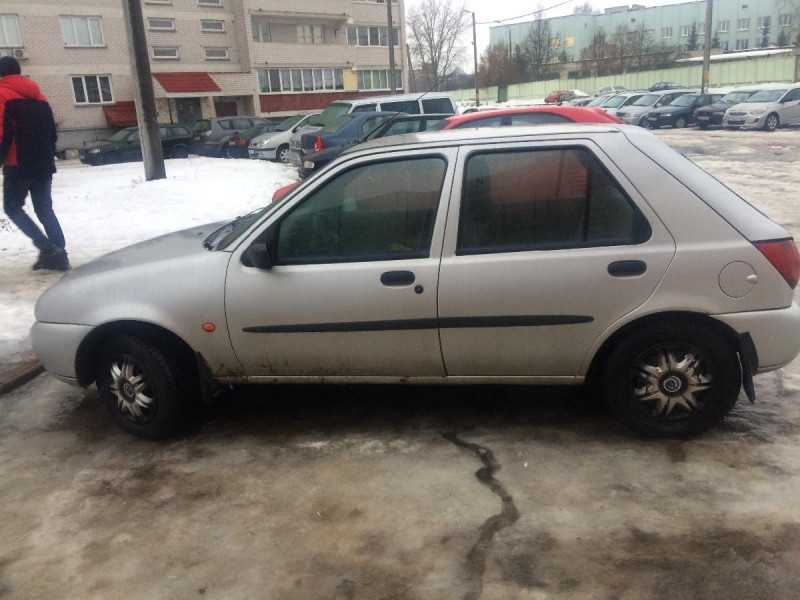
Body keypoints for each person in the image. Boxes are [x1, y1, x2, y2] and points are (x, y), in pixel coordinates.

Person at [0, 56, 69, 271]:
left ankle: (48, 249)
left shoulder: (2, 94)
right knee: (44, 209)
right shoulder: (40, 97)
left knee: (12, 207)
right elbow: (52, 133)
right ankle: (59, 254)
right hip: (43, 162)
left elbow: (3, 133)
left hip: (18, 163)